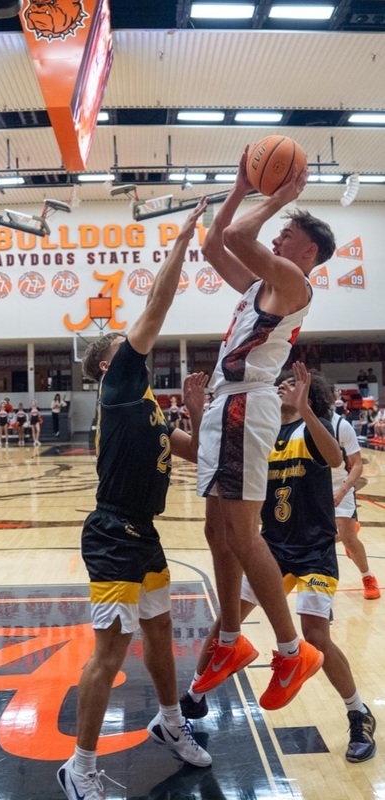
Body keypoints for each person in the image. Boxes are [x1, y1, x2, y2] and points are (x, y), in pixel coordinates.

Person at [57, 199, 212, 800]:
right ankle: (81, 765)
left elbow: (195, 452)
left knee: (159, 634)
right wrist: (182, 241)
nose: (134, 337)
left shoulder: (144, 406)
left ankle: (171, 722)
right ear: (107, 362)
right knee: (110, 654)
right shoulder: (120, 383)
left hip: (142, 534)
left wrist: (196, 414)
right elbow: (160, 303)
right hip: (112, 533)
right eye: (123, 341)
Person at [193, 146, 335, 710]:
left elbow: (237, 240)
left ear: (307, 250)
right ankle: (229, 640)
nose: (276, 238)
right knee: (216, 531)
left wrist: (274, 196)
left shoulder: (293, 285)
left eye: (286, 232)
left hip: (244, 406)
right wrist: (236, 189)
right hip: (224, 406)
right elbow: (213, 244)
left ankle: (289, 649)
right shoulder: (260, 288)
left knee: (243, 533)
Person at [182, 365, 376, 764]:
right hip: (272, 548)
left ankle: (358, 713)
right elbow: (210, 458)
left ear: (309, 391)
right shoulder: (262, 433)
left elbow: (334, 458)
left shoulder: (317, 426)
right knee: (227, 618)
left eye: (293, 383)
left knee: (315, 637)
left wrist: (305, 410)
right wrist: (199, 413)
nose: (284, 387)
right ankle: (193, 696)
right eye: (281, 383)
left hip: (314, 549)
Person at [331, 399, 380, 599]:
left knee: (349, 539)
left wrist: (343, 490)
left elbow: (357, 464)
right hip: (311, 487)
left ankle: (368, 577)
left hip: (338, 484)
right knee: (316, 539)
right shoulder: (296, 423)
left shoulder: (340, 425)